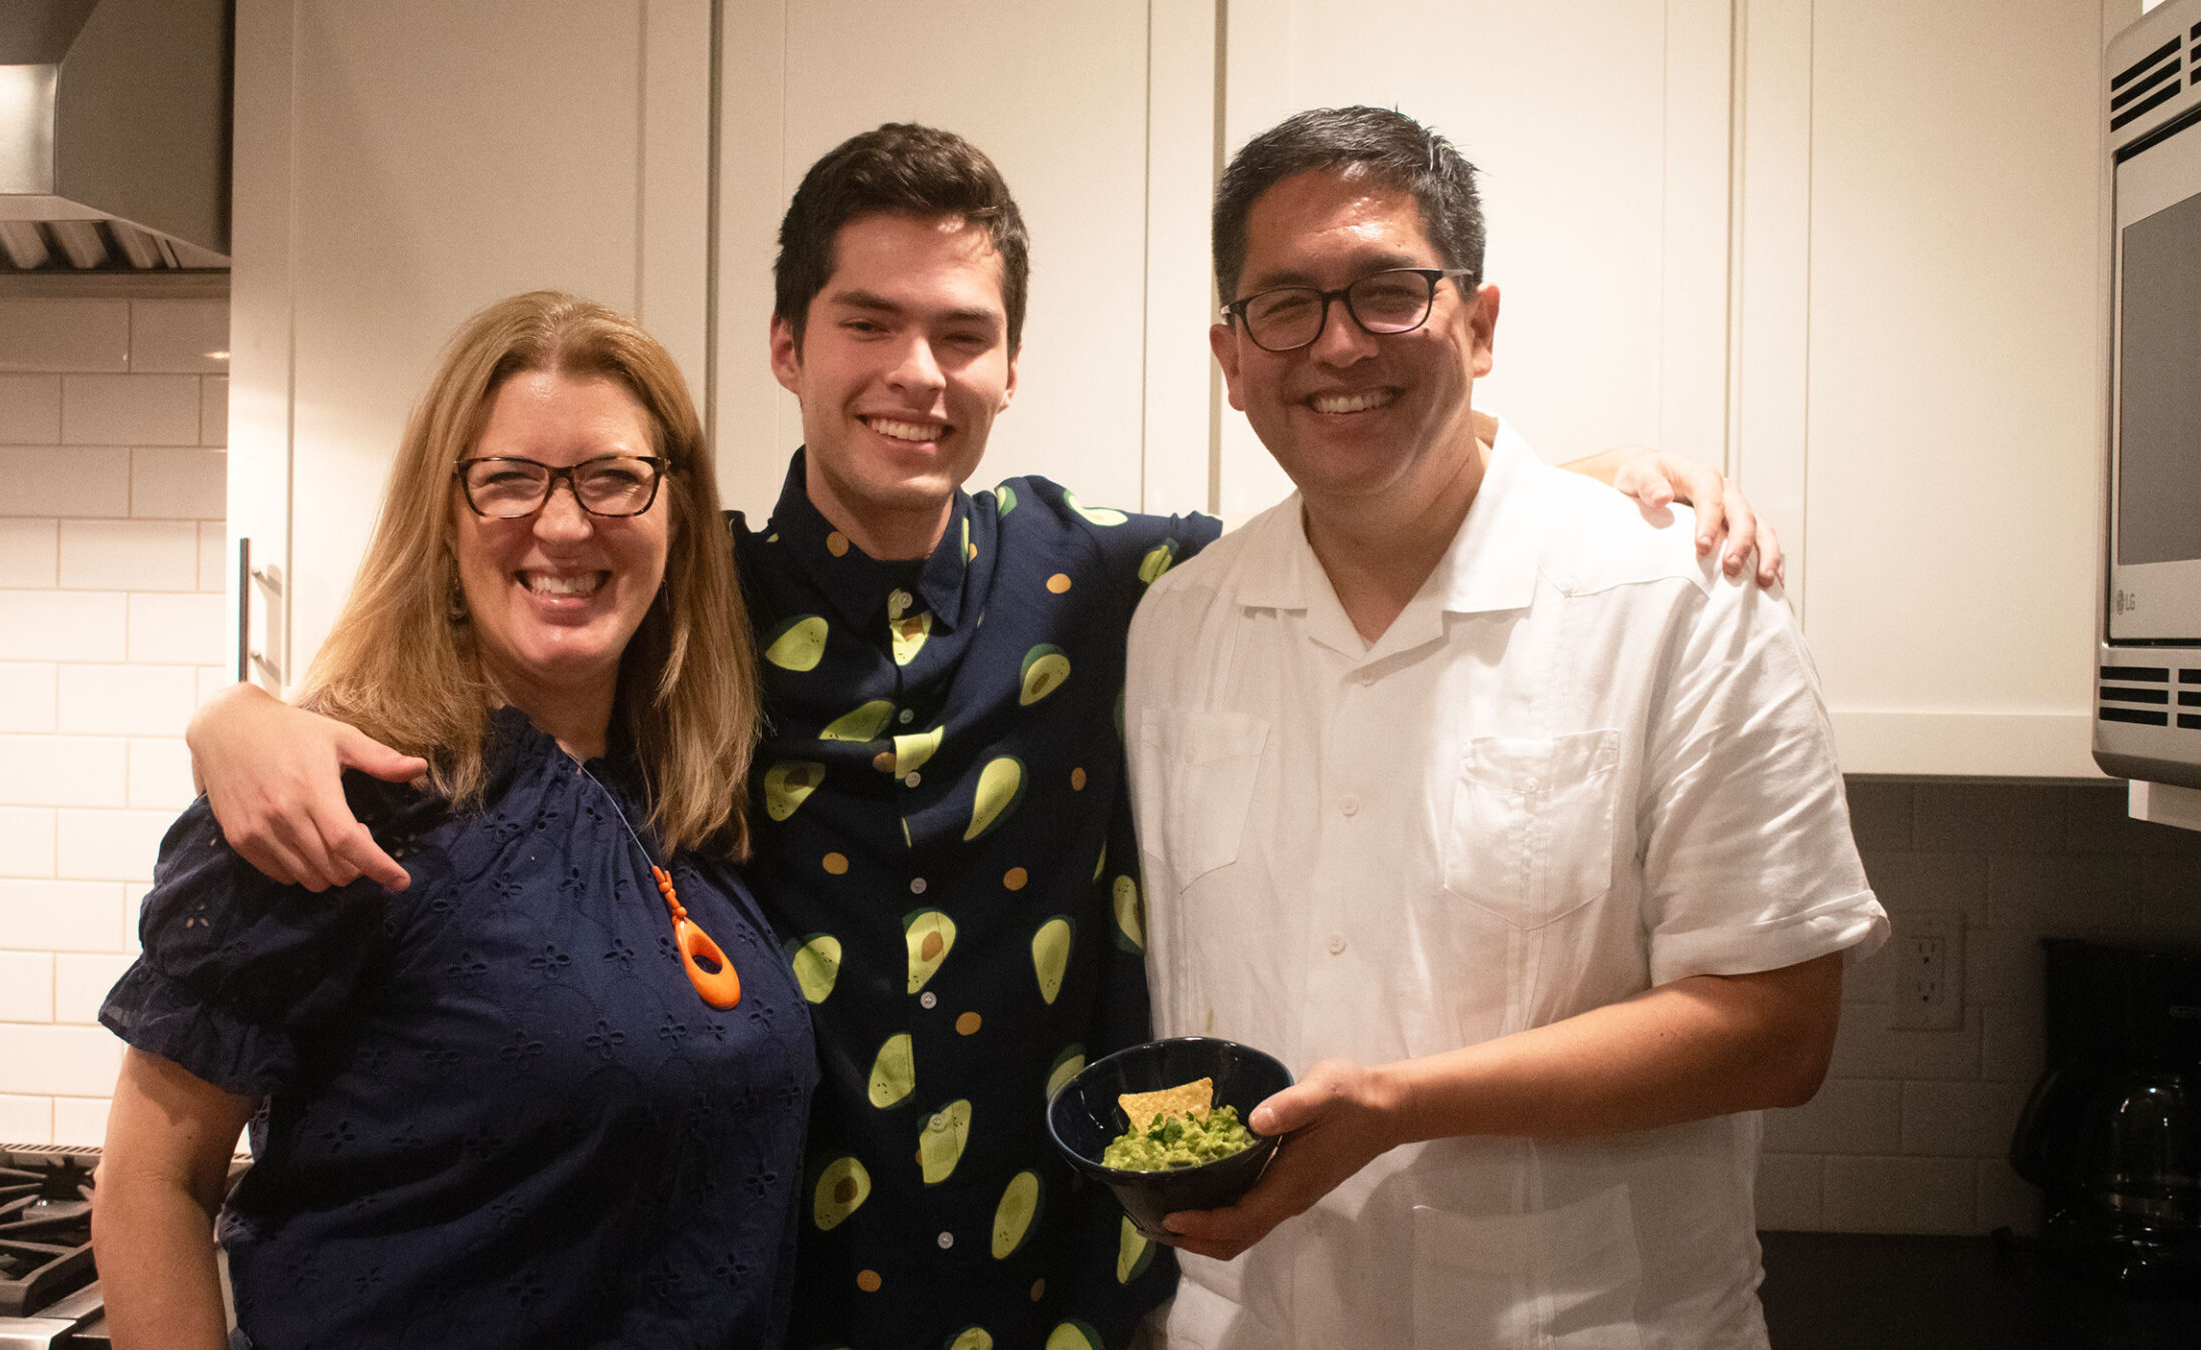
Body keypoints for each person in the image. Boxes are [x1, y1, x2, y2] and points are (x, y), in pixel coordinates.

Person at [176, 126, 1781, 1350]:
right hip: (768, 1308)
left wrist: (1577, 478)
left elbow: (1368, 487)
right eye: (868, 324)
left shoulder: (1128, 583)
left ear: (1014, 364)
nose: (917, 374)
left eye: (962, 331)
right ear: (791, 347)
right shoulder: (686, 596)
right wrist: (242, 713)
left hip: (1071, 1307)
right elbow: (474, 639)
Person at [1122, 106, 1888, 1349]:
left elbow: (1777, 1030)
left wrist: (1403, 1104)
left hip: (1594, 1324)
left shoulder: (1679, 597)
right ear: (1231, 355)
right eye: (1287, 305)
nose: (1338, 343)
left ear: (1478, 328)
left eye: (1389, 293)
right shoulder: (1175, 625)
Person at [91, 292, 816, 1350]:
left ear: (677, 513)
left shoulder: (691, 801)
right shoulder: (345, 797)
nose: (564, 526)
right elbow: (151, 1181)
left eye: (614, 479)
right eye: (509, 480)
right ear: (445, 514)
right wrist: (235, 715)